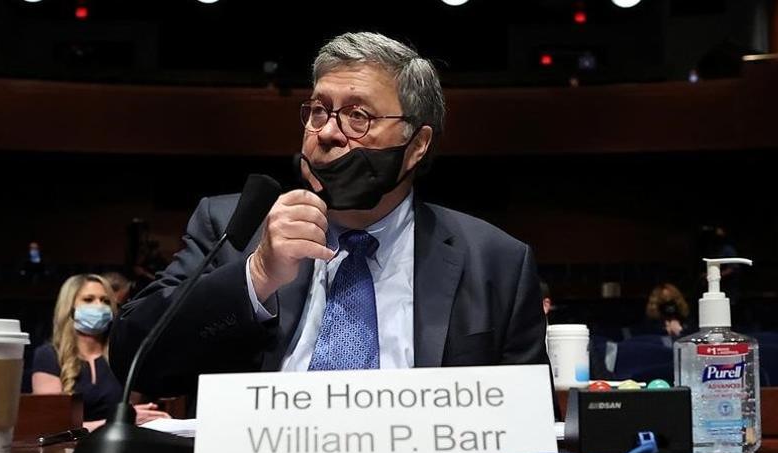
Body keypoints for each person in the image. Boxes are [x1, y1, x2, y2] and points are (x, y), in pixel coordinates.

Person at [110, 32, 548, 400]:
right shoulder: (233, 227)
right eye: (319, 111)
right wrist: (257, 275)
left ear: (416, 145)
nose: (328, 132)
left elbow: (528, 427)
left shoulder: (496, 261)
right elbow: (134, 358)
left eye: (358, 116)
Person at [32, 274, 169, 430]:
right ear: (70, 307)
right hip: (69, 449)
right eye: (89, 299)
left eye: (105, 301)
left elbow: (137, 411)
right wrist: (115, 422)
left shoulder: (122, 355)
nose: (99, 306)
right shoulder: (49, 355)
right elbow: (52, 425)